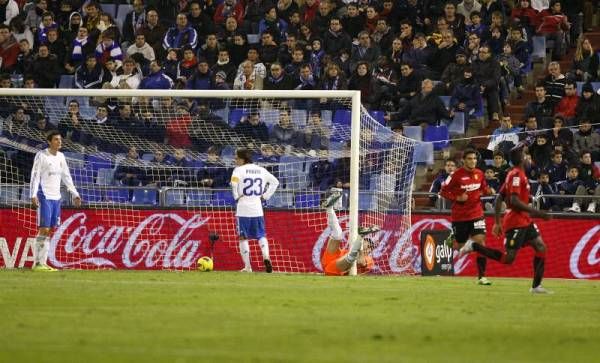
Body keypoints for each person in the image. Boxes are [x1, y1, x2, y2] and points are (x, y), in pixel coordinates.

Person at [461, 147, 553, 293]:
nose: (528, 158)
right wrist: (538, 213)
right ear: (521, 159)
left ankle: (536, 286)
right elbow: (513, 201)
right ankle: (474, 246)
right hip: (516, 221)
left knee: (540, 246)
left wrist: (497, 222)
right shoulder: (516, 175)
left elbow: (499, 197)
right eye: (525, 156)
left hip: (525, 220)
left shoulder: (517, 174)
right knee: (508, 258)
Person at [29, 130, 82, 271]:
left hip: (56, 198)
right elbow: (35, 176)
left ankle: (43, 263)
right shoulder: (41, 155)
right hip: (44, 196)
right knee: (44, 229)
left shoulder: (61, 157)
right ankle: (38, 263)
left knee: (50, 230)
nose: (59, 142)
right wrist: (33, 194)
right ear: (49, 141)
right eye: (56, 139)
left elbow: (66, 177)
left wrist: (75, 193)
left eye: (60, 139)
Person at [439, 149, 493, 285]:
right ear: (464, 160)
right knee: (459, 246)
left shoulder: (480, 174)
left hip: (476, 213)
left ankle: (482, 277)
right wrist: (456, 197)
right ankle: (452, 240)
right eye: (469, 159)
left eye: (474, 159)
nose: (473, 161)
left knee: (481, 242)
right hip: (460, 216)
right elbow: (443, 191)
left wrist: (488, 190)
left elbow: (483, 188)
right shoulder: (455, 175)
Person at [230, 148, 280, 273]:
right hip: (257, 208)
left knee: (243, 237)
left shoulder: (238, 170)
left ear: (242, 159)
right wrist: (265, 196)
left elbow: (234, 183)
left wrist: (236, 196)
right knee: (261, 235)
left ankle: (248, 267)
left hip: (243, 208)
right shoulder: (261, 170)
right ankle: (266, 256)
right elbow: (275, 182)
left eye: (236, 158)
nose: (235, 160)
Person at [319, 188, 378, 276]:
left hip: (335, 270)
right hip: (329, 260)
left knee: (352, 257)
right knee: (338, 234)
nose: (369, 249)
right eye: (368, 245)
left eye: (371, 248)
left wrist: (360, 251)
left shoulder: (369, 260)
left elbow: (361, 262)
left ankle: (361, 236)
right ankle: (329, 208)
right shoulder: (346, 250)